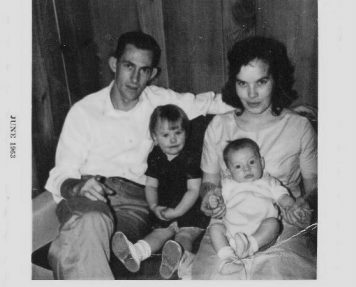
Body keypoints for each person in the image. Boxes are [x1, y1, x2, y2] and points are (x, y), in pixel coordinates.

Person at [44, 31, 233, 279]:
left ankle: (62, 253)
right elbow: (62, 174)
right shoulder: (84, 111)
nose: (135, 78)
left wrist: (275, 107)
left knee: (77, 247)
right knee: (89, 222)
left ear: (152, 74)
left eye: (144, 70)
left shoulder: (159, 100)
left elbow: (209, 103)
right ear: (114, 64)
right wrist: (77, 187)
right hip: (88, 194)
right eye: (128, 66)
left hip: (134, 205)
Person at [193, 36, 317, 279]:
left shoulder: (299, 126)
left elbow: (315, 187)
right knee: (220, 277)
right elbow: (209, 182)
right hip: (229, 224)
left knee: (274, 273)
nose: (251, 94)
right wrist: (209, 196)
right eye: (242, 83)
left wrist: (305, 204)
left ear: (276, 79)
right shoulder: (219, 126)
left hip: (280, 222)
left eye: (261, 81)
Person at [112, 104, 209, 279]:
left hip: (190, 210)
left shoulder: (191, 158)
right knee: (158, 233)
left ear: (185, 133)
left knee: (184, 234)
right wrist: (154, 206)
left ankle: (178, 257)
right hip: (165, 207)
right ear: (155, 138)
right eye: (166, 135)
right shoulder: (155, 157)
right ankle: (136, 253)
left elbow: (193, 190)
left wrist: (177, 212)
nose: (173, 140)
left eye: (178, 133)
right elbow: (151, 185)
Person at [208, 138, 311, 275]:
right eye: (238, 166)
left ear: (261, 162)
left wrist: (292, 207)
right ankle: (228, 258)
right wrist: (215, 202)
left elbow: (283, 197)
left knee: (274, 223)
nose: (246, 169)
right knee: (215, 228)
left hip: (261, 237)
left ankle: (248, 247)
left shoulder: (269, 182)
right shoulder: (228, 185)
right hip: (232, 235)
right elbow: (218, 200)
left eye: (251, 162)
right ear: (228, 172)